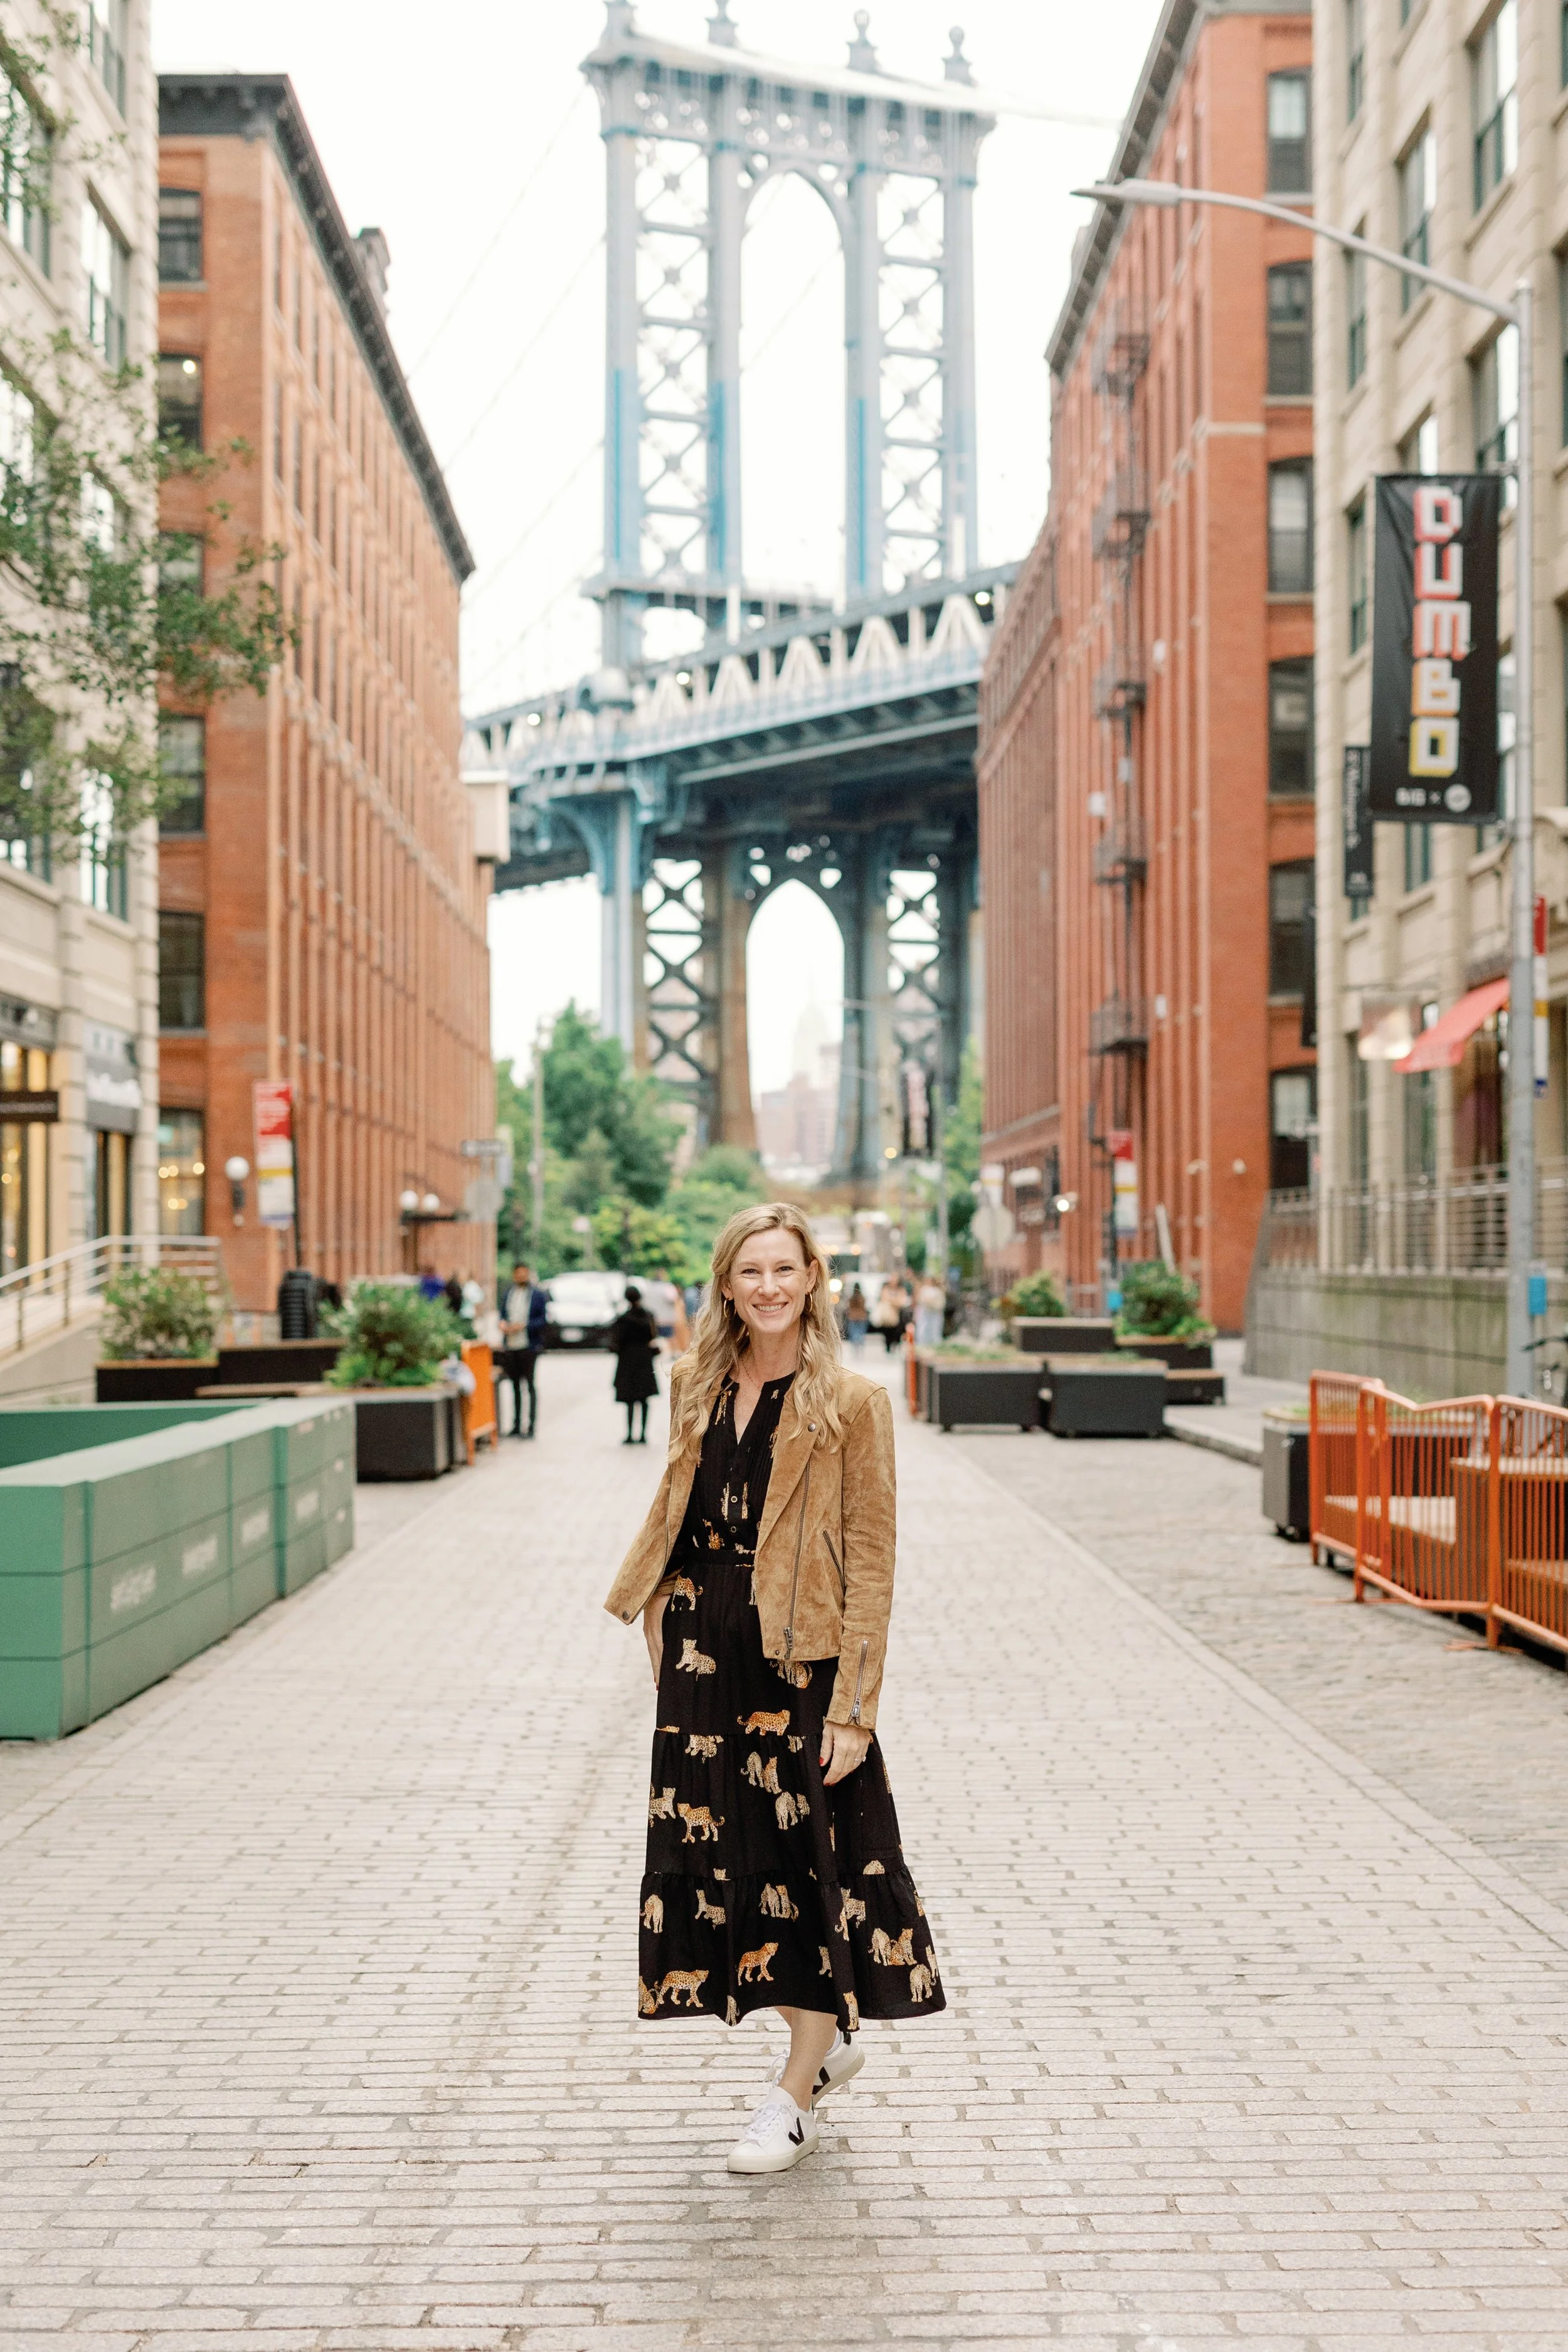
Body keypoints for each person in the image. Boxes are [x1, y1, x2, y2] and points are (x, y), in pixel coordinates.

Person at [604, 1201, 943, 2178]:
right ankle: (824, 2045)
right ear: (726, 1282)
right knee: (729, 1865)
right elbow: (676, 1511)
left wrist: (856, 1710)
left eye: (784, 1270)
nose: (767, 1286)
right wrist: (662, 1618)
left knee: (809, 1866)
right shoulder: (693, 1384)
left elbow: (873, 1563)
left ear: (812, 1281)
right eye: (749, 1269)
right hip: (704, 1666)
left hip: (802, 1667)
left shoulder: (852, 1403)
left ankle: (791, 2095)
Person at [498, 1261, 548, 1438]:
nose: (521, 1277)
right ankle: (517, 1424)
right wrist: (503, 1324)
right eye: (518, 1273)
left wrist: (524, 1326)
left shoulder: (538, 1295)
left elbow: (543, 1321)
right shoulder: (508, 1294)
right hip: (511, 1345)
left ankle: (532, 1425)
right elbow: (503, 1314)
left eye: (524, 1273)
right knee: (515, 1386)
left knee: (530, 1386)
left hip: (529, 1345)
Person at [608, 1283, 660, 1445]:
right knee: (645, 1399)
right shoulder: (649, 1316)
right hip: (645, 1360)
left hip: (628, 1360)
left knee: (630, 1400)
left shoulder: (623, 1319)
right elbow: (654, 1335)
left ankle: (630, 1433)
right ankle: (644, 1434)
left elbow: (615, 1342)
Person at [872, 1274, 908, 1353]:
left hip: (898, 1314)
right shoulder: (886, 1289)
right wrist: (894, 1301)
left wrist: (892, 1301)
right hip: (888, 1315)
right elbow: (884, 1298)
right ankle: (888, 1346)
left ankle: (895, 1344)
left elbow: (901, 1301)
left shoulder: (901, 1290)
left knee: (897, 1331)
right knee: (887, 1331)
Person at [913, 1272, 946, 1349]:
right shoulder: (923, 1289)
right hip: (925, 1313)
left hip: (935, 1314)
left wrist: (932, 1302)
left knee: (935, 1331)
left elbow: (941, 1303)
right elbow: (919, 1300)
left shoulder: (938, 1290)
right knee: (923, 1331)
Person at [843, 1281, 867, 1352]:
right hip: (862, 1317)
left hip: (852, 1317)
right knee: (861, 1333)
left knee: (853, 1333)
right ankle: (861, 1347)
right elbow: (864, 1307)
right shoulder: (862, 1298)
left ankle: (854, 1347)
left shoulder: (851, 1298)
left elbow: (848, 1307)